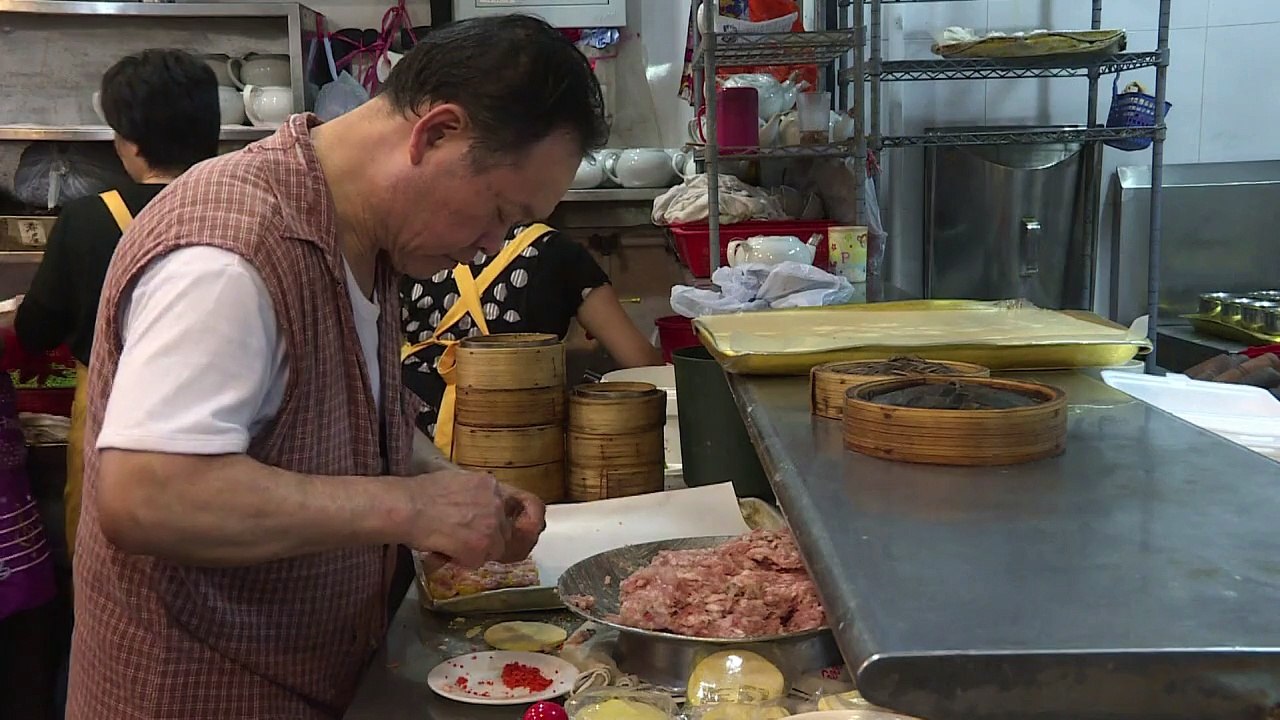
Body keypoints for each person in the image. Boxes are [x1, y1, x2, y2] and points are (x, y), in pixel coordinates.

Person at [66, 15, 606, 719]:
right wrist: (410, 509)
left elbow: (341, 422)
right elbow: (148, 496)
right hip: (201, 696)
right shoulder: (229, 253)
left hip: (318, 679)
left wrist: (448, 486)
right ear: (435, 134)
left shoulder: (363, 237)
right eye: (501, 211)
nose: (490, 245)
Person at [15, 48, 221, 561]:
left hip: (111, 424)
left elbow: (36, 331)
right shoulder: (238, 209)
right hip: (221, 425)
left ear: (128, 141)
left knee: (108, 560)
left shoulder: (87, 218)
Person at [401, 223, 663, 447]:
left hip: (413, 443)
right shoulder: (555, 251)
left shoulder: (418, 246)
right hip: (515, 445)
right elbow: (643, 365)